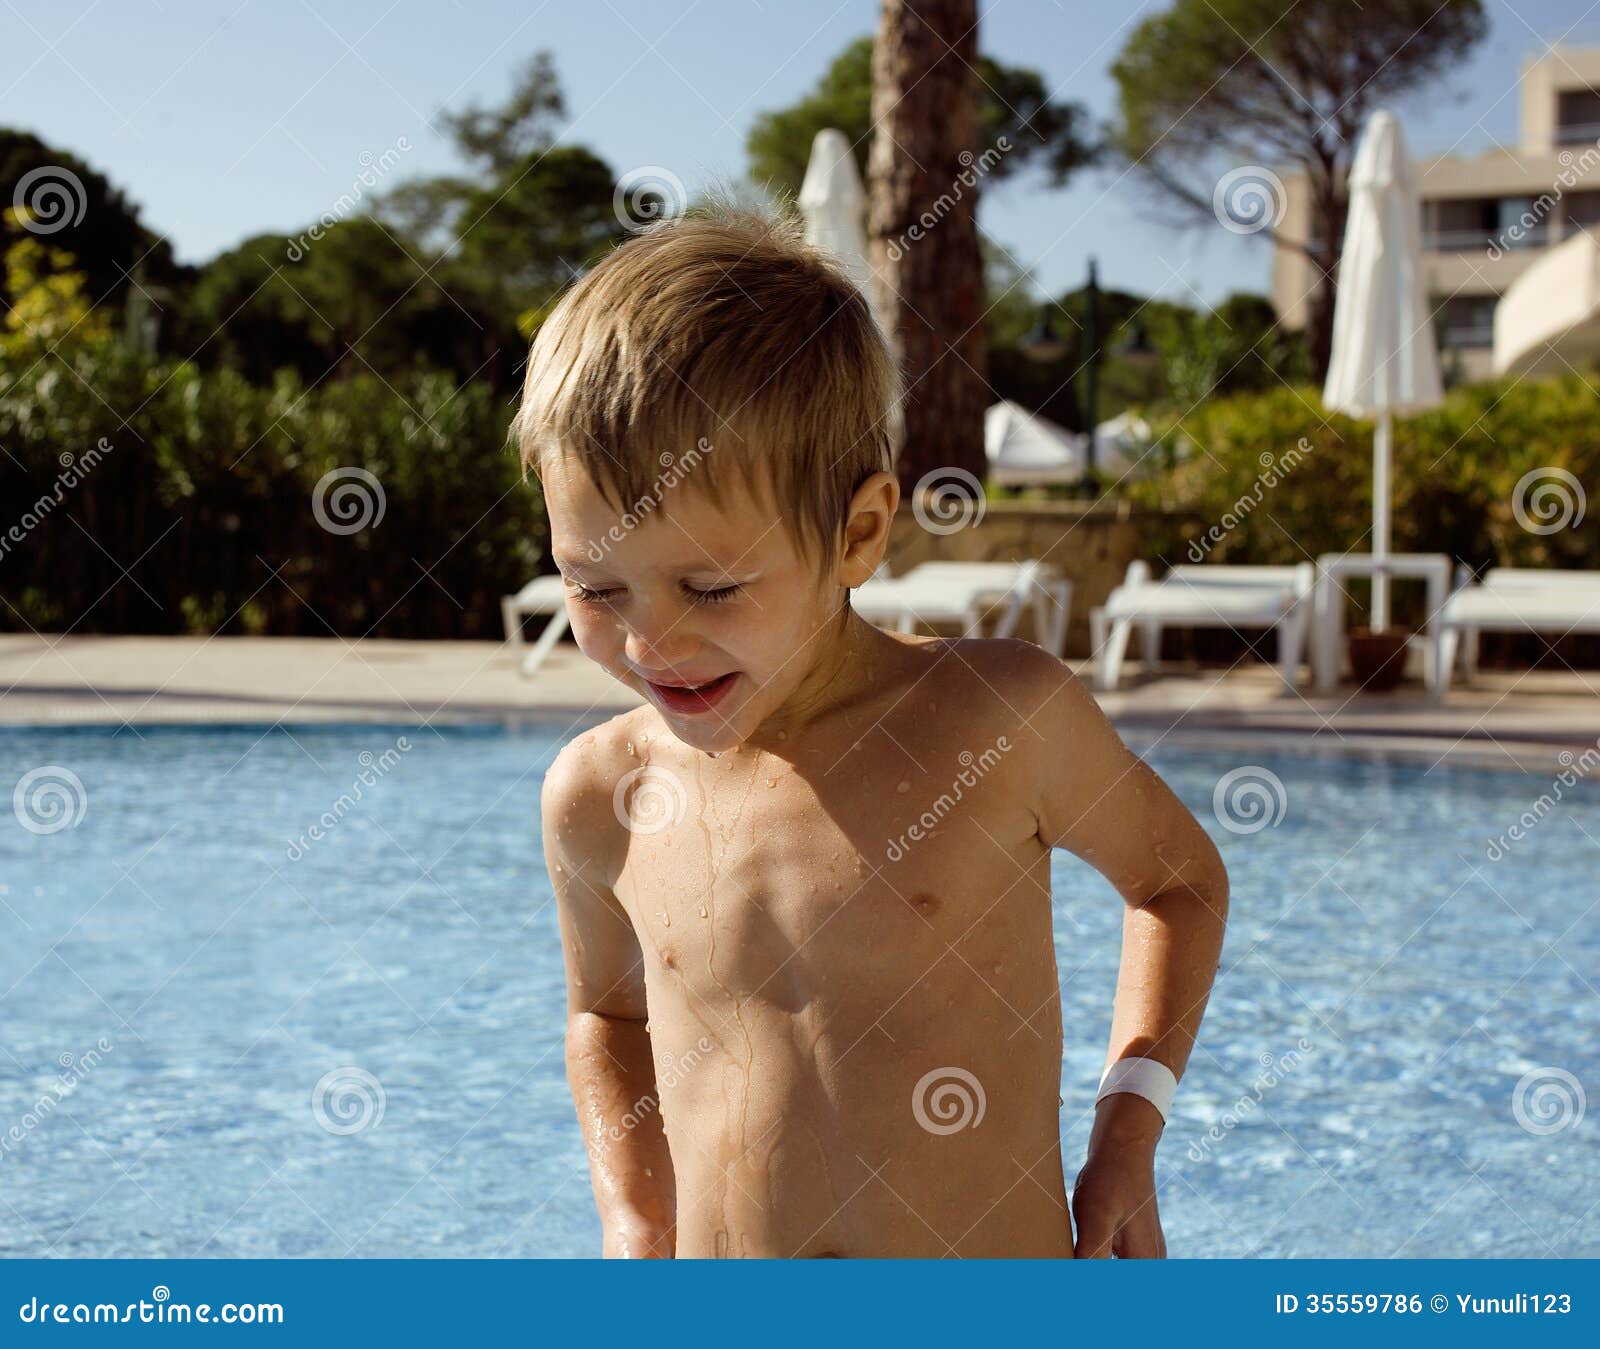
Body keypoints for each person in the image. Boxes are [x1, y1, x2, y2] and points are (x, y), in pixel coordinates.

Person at [520, 204, 1229, 1258]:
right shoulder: (599, 795)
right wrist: (634, 1211)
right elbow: (608, 1020)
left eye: (712, 588)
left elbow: (1177, 881)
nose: (651, 641)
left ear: (857, 533)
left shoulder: (996, 721)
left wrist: (1128, 1124)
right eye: (596, 584)